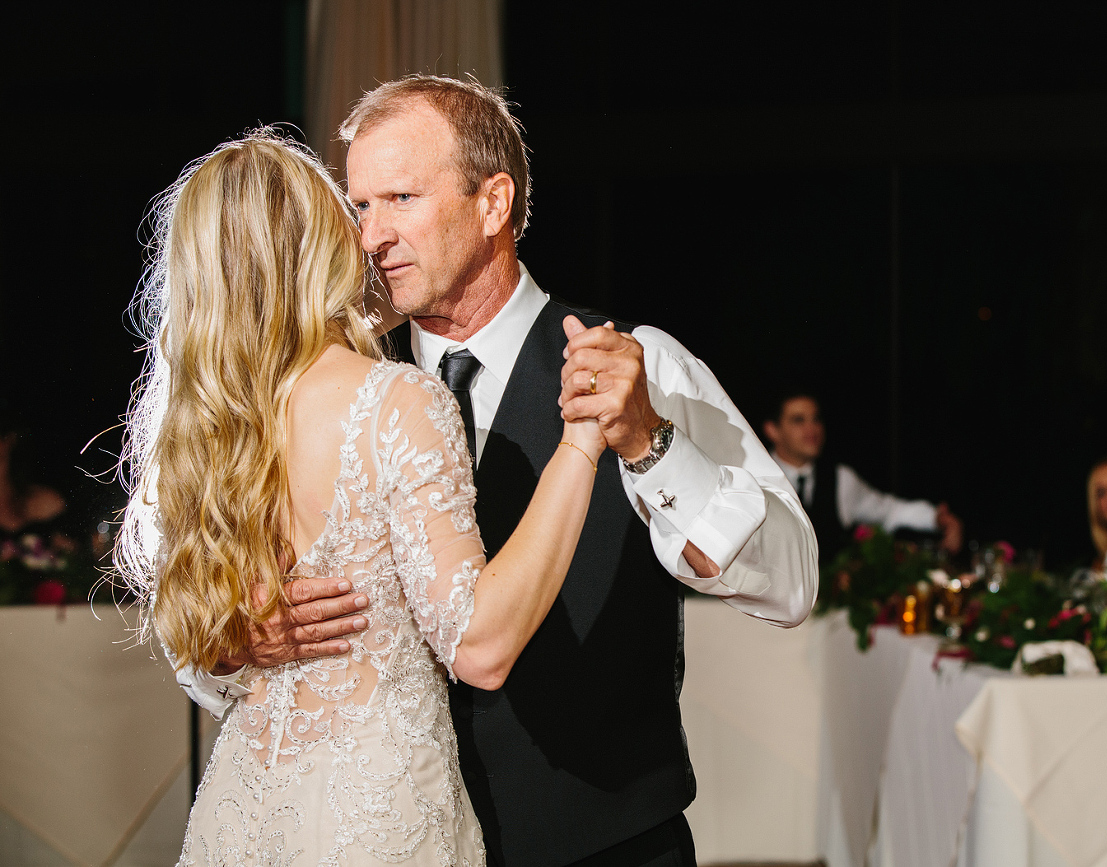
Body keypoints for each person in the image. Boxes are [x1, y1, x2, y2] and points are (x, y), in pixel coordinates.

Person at [177, 77, 818, 867]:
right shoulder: (329, 393)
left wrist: (650, 443)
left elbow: (790, 583)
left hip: (605, 845)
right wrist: (236, 644)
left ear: (492, 203)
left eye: (401, 197)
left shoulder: (638, 363)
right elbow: (203, 639)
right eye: (360, 207)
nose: (372, 237)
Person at [116, 131, 612, 864]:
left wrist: (230, 649)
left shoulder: (195, 425)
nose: (367, 233)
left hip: (244, 815)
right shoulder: (392, 401)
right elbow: (477, 643)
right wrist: (581, 443)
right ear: (318, 242)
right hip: (377, 820)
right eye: (347, 211)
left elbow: (195, 650)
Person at [760, 391, 963, 562]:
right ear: (772, 430)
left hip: (827, 607)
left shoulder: (840, 479)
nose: (812, 429)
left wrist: (936, 518)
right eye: (798, 420)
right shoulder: (753, 477)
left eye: (816, 419)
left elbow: (889, 511)